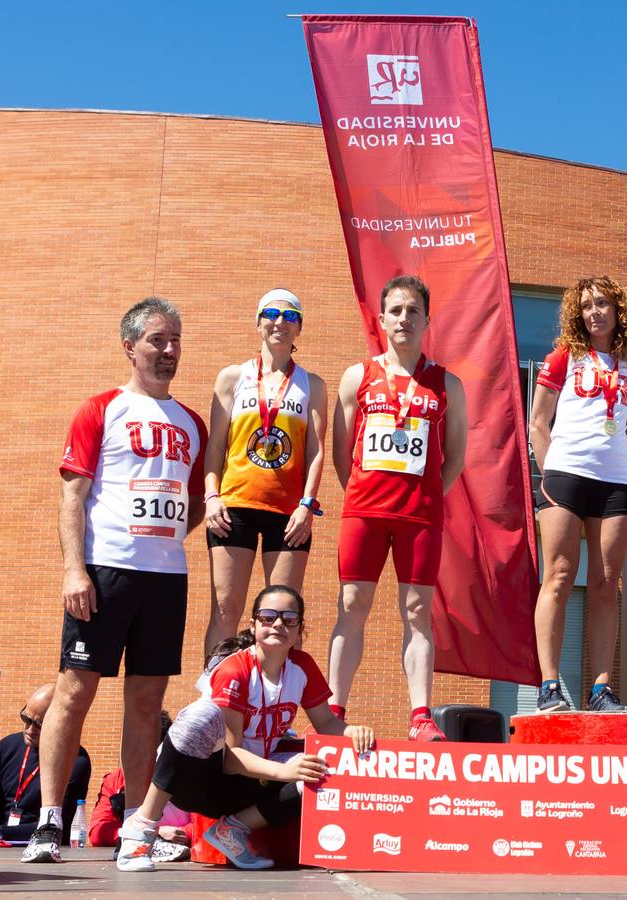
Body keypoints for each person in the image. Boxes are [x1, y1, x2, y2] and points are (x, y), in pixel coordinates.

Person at [30, 297, 207, 864]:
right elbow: (72, 497)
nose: (169, 350)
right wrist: (73, 569)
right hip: (104, 573)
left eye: (176, 339)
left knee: (147, 699)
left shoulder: (193, 423)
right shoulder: (99, 409)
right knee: (75, 690)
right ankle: (49, 822)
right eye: (158, 340)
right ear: (130, 347)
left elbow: (195, 505)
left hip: (165, 577)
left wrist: (164, 530)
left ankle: (136, 827)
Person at [114, 585, 373, 871]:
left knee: (330, 765)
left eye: (289, 619)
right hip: (198, 780)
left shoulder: (303, 666)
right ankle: (140, 828)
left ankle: (233, 830)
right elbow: (231, 756)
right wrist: (283, 771)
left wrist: (351, 732)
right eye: (268, 616)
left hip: (249, 782)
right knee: (200, 716)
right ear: (253, 625)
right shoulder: (234, 670)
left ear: (299, 629)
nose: (278, 624)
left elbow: (326, 722)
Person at [326, 275, 468, 741]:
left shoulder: (447, 384)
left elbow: (455, 457)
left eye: (414, 311)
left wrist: (423, 497)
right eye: (396, 310)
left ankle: (420, 717)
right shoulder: (357, 376)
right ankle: (334, 710)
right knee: (352, 604)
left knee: (416, 612)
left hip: (420, 517)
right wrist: (363, 495)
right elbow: (342, 450)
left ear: (427, 320)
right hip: (364, 511)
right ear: (381, 319)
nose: (404, 318)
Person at [529, 276, 627, 712]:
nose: (594, 312)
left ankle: (601, 690)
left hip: (614, 482)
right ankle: (549, 686)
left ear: (618, 310)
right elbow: (538, 421)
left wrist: (614, 467)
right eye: (586, 306)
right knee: (559, 577)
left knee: (605, 585)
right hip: (564, 476)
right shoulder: (564, 357)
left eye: (601, 303)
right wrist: (548, 474)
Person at [202, 288, 328, 657]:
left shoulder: (312, 385)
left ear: (299, 328)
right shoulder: (232, 378)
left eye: (290, 317)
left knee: (285, 615)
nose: (280, 322)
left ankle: (279, 707)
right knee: (225, 611)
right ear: (258, 323)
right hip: (233, 507)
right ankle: (217, 702)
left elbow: (317, 451)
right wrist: (211, 497)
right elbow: (215, 449)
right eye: (272, 314)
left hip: (289, 514)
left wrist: (307, 505)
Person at [0, 684, 90, 844]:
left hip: (43, 842)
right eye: (26, 719)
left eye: (39, 725)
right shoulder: (7, 746)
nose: (29, 729)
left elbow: (59, 821)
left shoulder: (76, 761)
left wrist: (0, 831)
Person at [87, 712, 189, 860]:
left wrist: (184, 833)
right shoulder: (115, 779)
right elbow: (98, 832)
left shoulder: (186, 777)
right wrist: (155, 833)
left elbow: (204, 829)